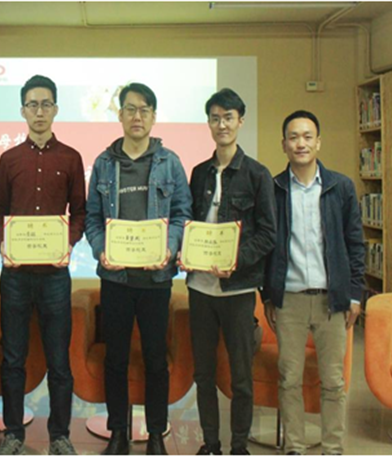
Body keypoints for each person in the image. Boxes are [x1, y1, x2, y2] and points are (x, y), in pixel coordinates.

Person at [85, 82, 192, 455]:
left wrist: (170, 247)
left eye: (144, 109)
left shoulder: (170, 162)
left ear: (154, 116)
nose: (137, 116)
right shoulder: (104, 163)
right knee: (115, 358)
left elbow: (182, 213)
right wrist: (100, 250)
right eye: (130, 109)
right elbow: (93, 219)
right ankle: (118, 432)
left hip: (156, 280)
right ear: (120, 115)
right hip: (116, 278)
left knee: (155, 359)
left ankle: (156, 434)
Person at [0, 75, 86, 455]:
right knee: (13, 359)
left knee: (59, 361)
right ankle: (13, 433)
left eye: (46, 104)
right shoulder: (9, 159)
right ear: (22, 110)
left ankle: (59, 435)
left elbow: (80, 212)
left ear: (56, 109)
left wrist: (68, 241)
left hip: (54, 277)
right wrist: (3, 242)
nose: (39, 111)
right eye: (32, 104)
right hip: (15, 276)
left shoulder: (71, 158)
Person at [262, 110, 365, 456]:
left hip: (331, 299)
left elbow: (355, 244)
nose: (301, 143)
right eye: (293, 137)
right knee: (289, 378)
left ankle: (333, 449)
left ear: (318, 142)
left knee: (333, 381)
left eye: (307, 136)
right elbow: (267, 246)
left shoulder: (340, 187)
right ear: (284, 144)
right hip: (289, 298)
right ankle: (294, 447)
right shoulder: (274, 188)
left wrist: (354, 294)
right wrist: (268, 295)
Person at [180, 88, 276, 455]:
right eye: (215, 118)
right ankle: (210, 443)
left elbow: (268, 234)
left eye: (229, 118)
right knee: (203, 373)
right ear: (208, 123)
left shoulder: (257, 174)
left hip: (237, 290)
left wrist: (236, 259)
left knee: (241, 376)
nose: (222, 124)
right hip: (200, 288)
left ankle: (238, 446)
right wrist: (185, 252)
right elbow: (190, 223)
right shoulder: (198, 173)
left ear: (240, 121)